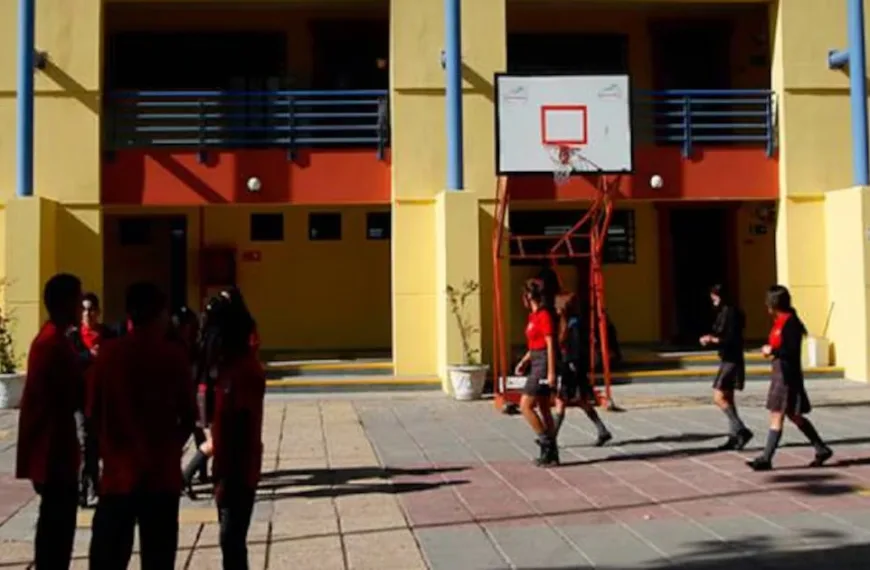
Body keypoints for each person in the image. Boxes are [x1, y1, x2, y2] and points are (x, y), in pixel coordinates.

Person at [88, 282, 197, 569]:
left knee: (108, 558)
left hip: (118, 476)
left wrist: (105, 451)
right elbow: (188, 417)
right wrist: (172, 448)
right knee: (158, 558)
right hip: (160, 475)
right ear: (160, 313)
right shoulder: (173, 356)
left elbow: (93, 412)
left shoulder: (108, 355)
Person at [16, 273, 84, 569]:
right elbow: (72, 393)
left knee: (55, 523)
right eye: (77, 301)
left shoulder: (54, 340)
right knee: (57, 527)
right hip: (52, 451)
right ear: (66, 303)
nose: (82, 309)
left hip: (55, 449)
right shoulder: (52, 345)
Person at [747, 285, 833, 472]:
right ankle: (821, 448)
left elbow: (791, 351)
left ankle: (766, 458)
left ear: (773, 303)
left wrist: (773, 350)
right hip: (779, 370)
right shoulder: (780, 321)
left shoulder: (790, 323)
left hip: (787, 374)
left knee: (777, 414)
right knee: (793, 414)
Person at [210, 300, 266, 570]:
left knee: (231, 540)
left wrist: (225, 475)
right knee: (230, 541)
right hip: (235, 467)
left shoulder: (241, 371)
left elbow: (238, 426)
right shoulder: (232, 367)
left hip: (236, 471)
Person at [68, 292, 115, 507]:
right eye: (84, 309)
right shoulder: (74, 337)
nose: (88, 314)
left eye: (91, 309)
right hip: (80, 399)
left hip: (102, 399)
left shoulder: (108, 335)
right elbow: (70, 363)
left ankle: (96, 486)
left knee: (97, 445)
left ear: (98, 312)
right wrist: (89, 356)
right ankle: (81, 488)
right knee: (84, 443)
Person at [552, 293, 612, 447]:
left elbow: (576, 348)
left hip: (572, 369)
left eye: (557, 306)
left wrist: (571, 364)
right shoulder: (567, 323)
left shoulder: (574, 325)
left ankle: (551, 437)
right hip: (571, 368)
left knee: (562, 400)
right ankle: (602, 430)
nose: (555, 309)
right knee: (581, 400)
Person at [700, 284, 753, 451]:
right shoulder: (730, 311)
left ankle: (741, 429)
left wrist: (711, 339)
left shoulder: (730, 313)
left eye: (715, 296)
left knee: (719, 396)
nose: (713, 299)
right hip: (730, 357)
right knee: (728, 398)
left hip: (731, 358)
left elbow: (730, 338)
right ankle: (734, 437)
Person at [514, 280, 559, 466]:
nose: (522, 300)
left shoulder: (544, 315)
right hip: (535, 360)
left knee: (525, 405)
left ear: (529, 296)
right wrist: (524, 362)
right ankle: (552, 453)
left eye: (524, 296)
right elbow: (534, 345)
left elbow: (549, 344)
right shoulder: (532, 317)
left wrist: (551, 372)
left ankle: (546, 443)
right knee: (544, 408)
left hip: (543, 363)